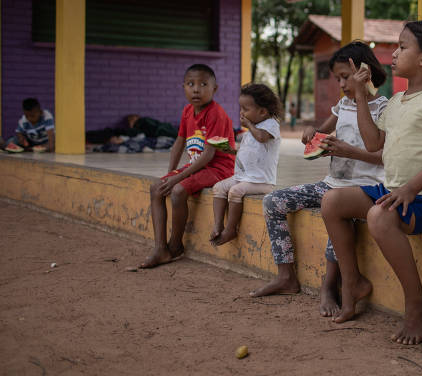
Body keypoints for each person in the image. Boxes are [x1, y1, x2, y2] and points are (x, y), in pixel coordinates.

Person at [321, 21, 422, 345]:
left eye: (402, 46)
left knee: (379, 216)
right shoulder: (397, 100)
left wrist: (411, 188)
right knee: (332, 201)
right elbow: (374, 143)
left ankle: (416, 300)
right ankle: (352, 282)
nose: (394, 54)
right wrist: (360, 95)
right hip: (394, 192)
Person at [251, 41, 388, 319]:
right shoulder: (343, 105)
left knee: (336, 214)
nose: (342, 84)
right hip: (331, 183)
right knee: (273, 202)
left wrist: (350, 152)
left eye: (345, 77)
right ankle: (286, 276)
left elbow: (385, 157)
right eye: (338, 79)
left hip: (362, 190)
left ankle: (329, 285)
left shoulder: (385, 109)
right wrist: (311, 133)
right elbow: (320, 135)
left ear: (365, 72)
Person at [139, 64, 235, 269]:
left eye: (203, 84)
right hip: (197, 165)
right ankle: (160, 248)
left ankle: (175, 245)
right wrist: (170, 173)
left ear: (215, 88)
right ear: (183, 87)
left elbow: (209, 155)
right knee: (157, 187)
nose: (196, 89)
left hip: (219, 167)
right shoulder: (187, 111)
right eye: (190, 84)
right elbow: (179, 143)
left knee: (178, 190)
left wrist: (178, 178)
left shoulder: (216, 114)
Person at [209, 83, 282, 246]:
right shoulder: (252, 130)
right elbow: (247, 151)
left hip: (262, 182)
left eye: (246, 109)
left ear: (262, 112)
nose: (241, 113)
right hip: (244, 177)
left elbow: (262, 138)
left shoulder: (271, 125)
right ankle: (218, 225)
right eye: (240, 108)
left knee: (235, 191)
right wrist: (230, 150)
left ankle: (231, 229)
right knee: (218, 187)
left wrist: (249, 125)